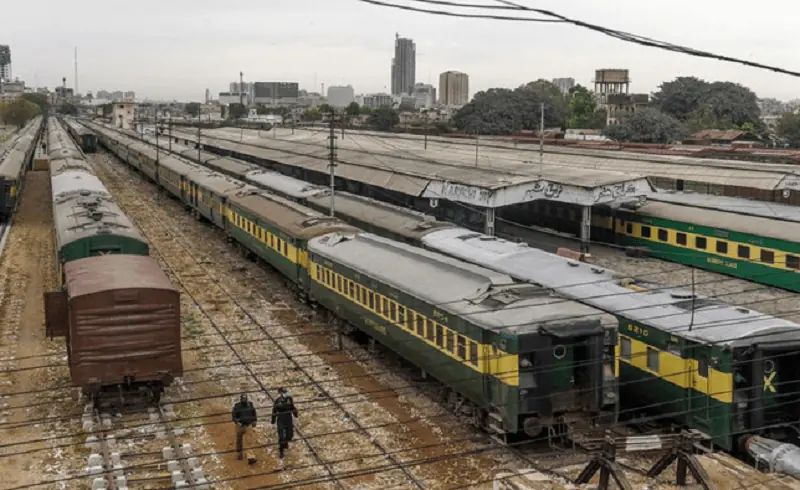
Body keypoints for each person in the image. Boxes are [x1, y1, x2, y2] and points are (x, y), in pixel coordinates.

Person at [271, 388, 298, 459]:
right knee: (281, 437)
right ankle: (281, 450)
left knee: (290, 435)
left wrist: (295, 414)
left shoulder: (289, 399)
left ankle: (285, 443)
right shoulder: (278, 401)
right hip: (281, 419)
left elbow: (292, 407)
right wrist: (273, 420)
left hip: (288, 418)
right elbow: (274, 410)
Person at [231, 393, 257, 460]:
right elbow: (233, 416)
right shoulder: (237, 406)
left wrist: (254, 420)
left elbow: (254, 413)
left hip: (248, 425)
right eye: (243, 398)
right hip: (240, 426)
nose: (244, 400)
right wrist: (237, 422)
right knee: (239, 440)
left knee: (249, 441)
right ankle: (239, 453)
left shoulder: (250, 404)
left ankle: (250, 457)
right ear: (241, 399)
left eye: (245, 398)